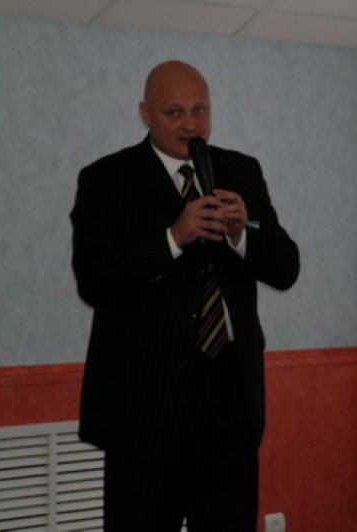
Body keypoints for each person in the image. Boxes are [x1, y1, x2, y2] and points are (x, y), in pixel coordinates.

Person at [70, 60, 300, 531]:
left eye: (200, 110)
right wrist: (174, 237)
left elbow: (285, 269)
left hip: (231, 399)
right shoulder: (106, 179)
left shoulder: (240, 170)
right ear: (146, 113)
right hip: (146, 407)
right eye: (174, 112)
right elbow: (94, 280)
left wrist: (242, 235)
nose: (190, 124)